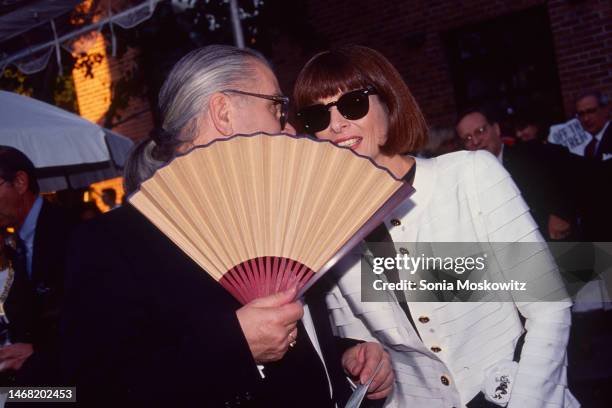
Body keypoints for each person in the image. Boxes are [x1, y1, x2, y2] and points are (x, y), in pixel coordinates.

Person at [59, 45, 393, 407]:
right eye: (276, 108)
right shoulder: (113, 242)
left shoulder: (279, 216)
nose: (291, 127)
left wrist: (344, 356)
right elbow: (88, 391)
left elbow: (304, 343)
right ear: (223, 112)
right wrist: (234, 346)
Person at [294, 45, 576, 408]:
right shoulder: (329, 230)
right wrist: (356, 358)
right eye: (317, 116)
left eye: (352, 104)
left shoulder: (469, 175)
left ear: (388, 103)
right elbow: (359, 342)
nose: (336, 125)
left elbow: (548, 308)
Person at [0, 146, 77, 386]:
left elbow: (92, 316)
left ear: (20, 182)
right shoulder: (14, 245)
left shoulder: (71, 233)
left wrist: (39, 350)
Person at [456, 108, 575, 241]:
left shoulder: (530, 153)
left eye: (480, 131)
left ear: (496, 129)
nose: (476, 141)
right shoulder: (470, 182)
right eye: (467, 138)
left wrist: (560, 212)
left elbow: (570, 167)